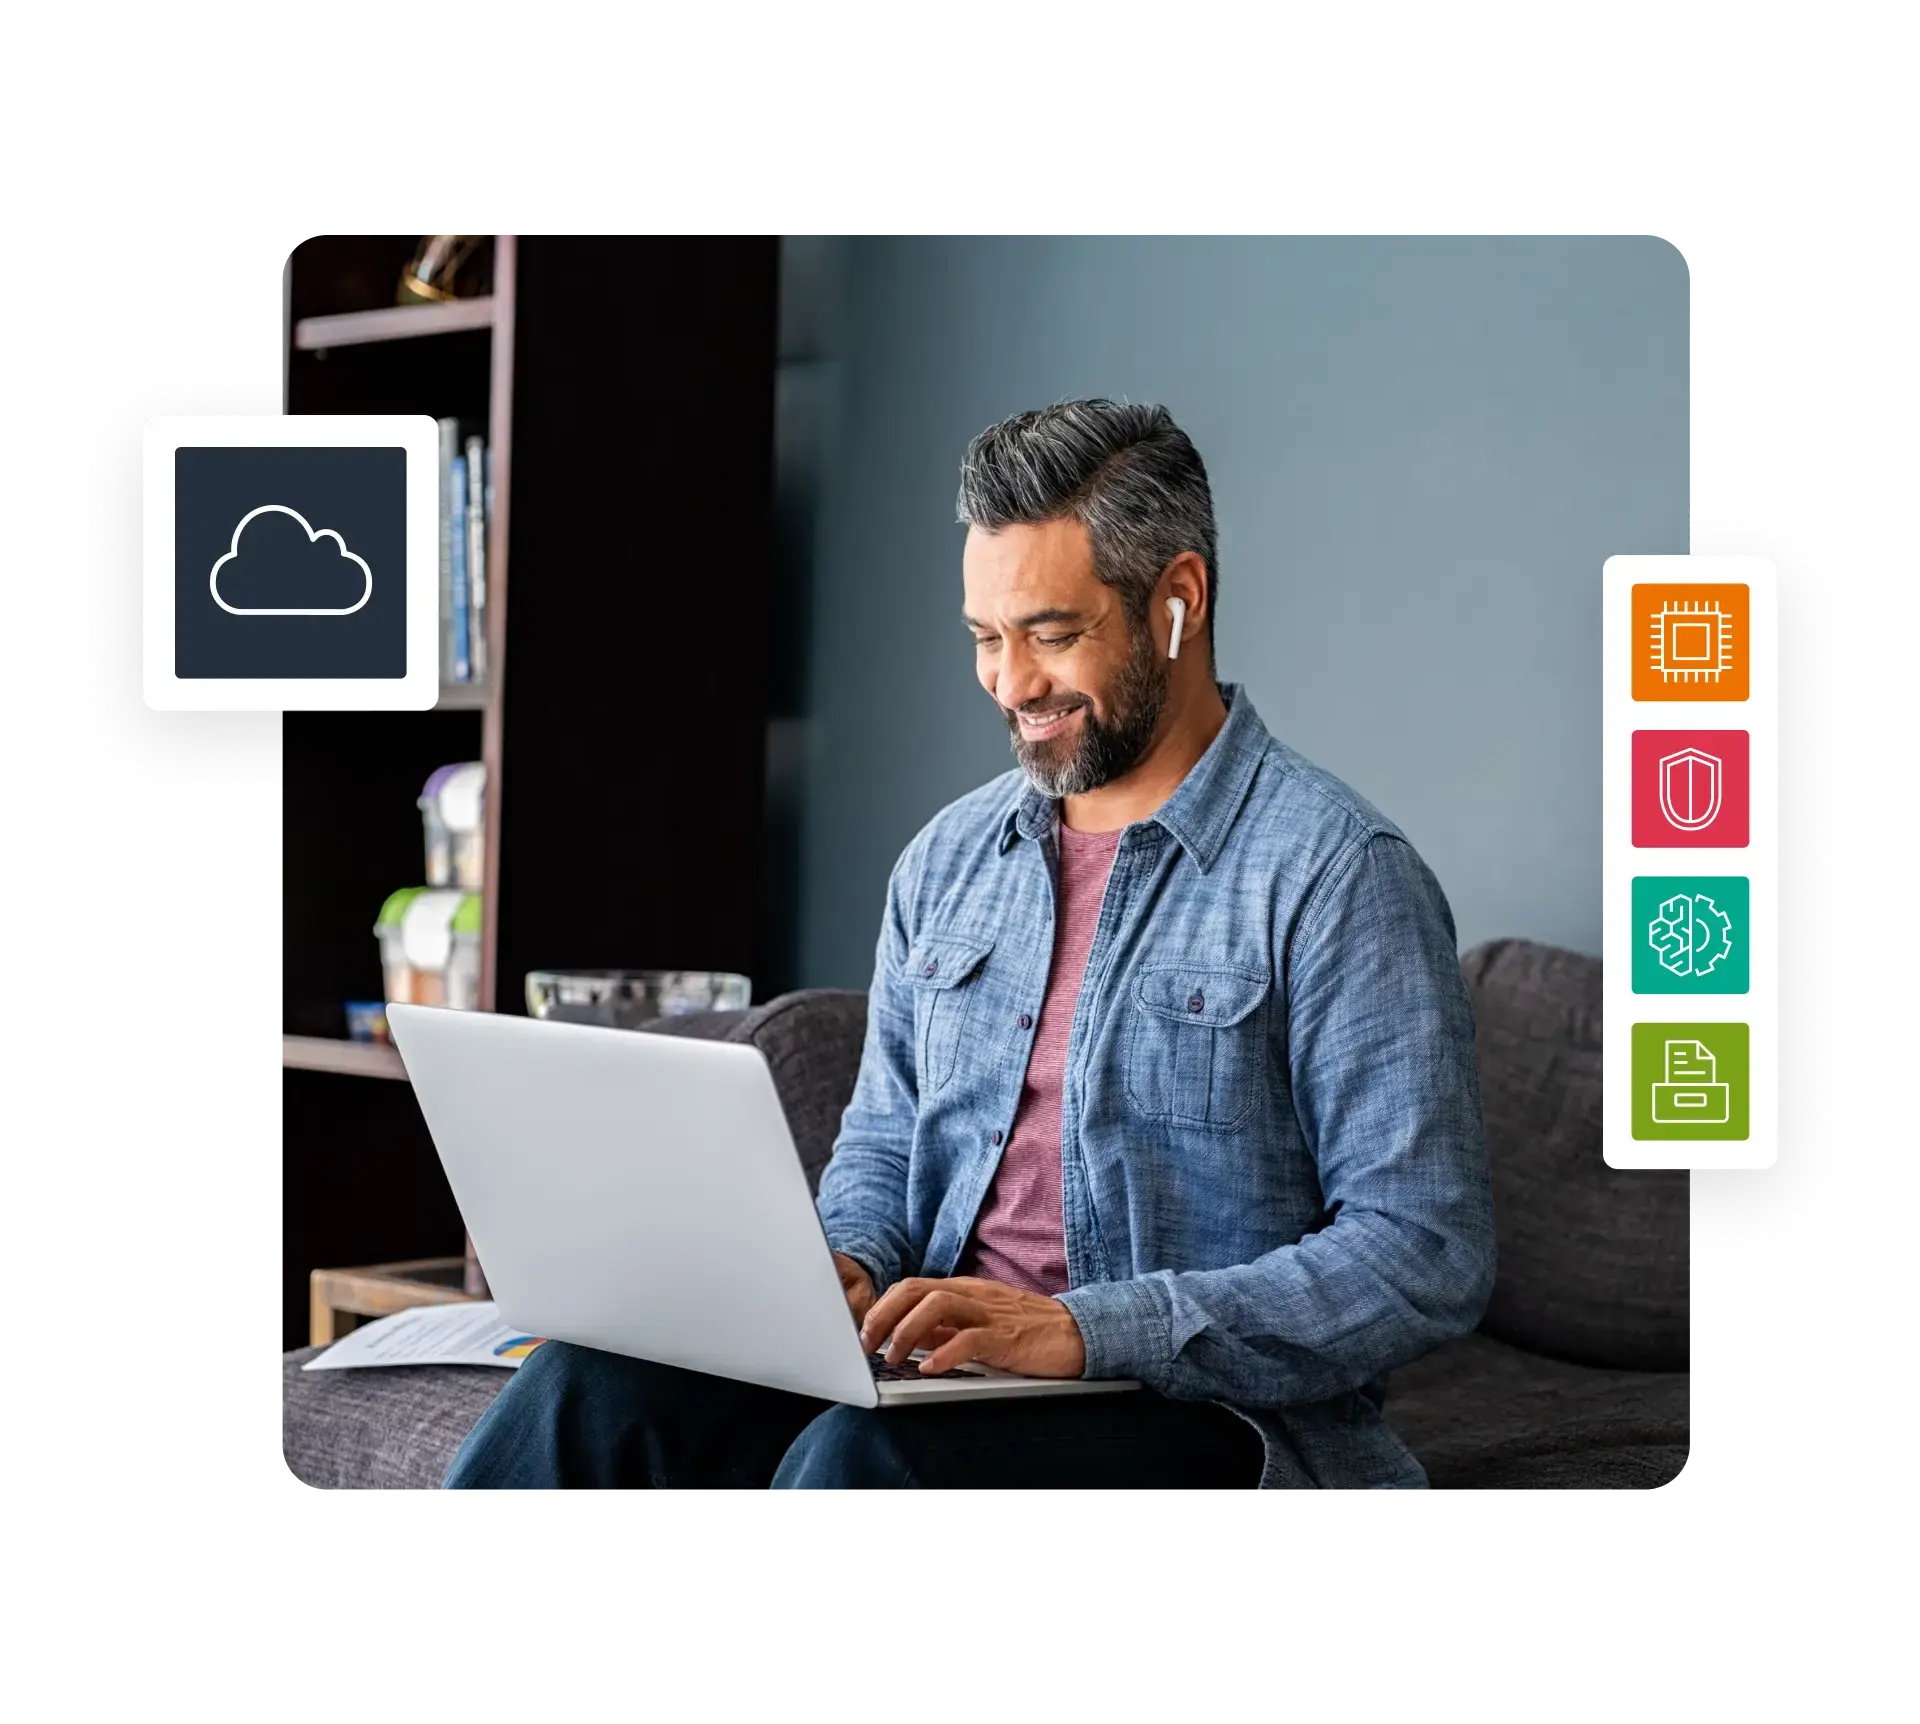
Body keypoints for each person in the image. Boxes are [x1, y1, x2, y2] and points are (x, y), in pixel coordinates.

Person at [444, 399, 1496, 1495]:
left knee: (871, 1460)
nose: (1010, 683)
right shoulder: (949, 861)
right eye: (985, 638)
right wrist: (843, 1267)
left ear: (1178, 599)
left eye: (1051, 633)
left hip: (1207, 1415)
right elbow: (885, 1151)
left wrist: (1084, 1329)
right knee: (589, 1387)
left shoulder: (1337, 871)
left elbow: (1422, 1250)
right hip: (948, 1375)